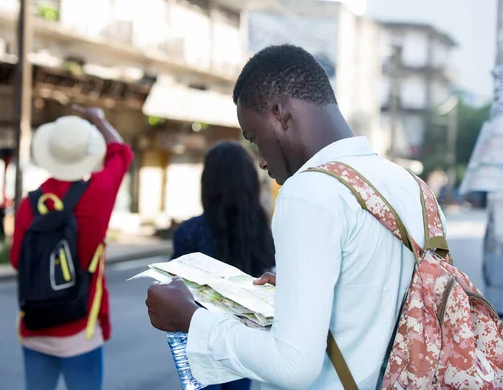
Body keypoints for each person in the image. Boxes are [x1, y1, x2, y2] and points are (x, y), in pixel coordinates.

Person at [145, 44, 448, 389]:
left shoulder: (309, 191)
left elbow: (293, 365)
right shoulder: (414, 188)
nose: (260, 159)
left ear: (281, 114)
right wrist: (300, 289)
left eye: (255, 137)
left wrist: (192, 319)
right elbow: (377, 302)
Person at [9, 105, 133, 390]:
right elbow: (121, 153)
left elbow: (17, 259)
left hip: (35, 327)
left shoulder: (31, 203)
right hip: (81, 330)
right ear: (87, 156)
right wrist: (99, 120)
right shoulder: (98, 194)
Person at [171, 141, 275, 390]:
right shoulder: (261, 229)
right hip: (242, 340)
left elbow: (175, 288)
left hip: (198, 339)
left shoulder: (190, 232)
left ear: (208, 183)